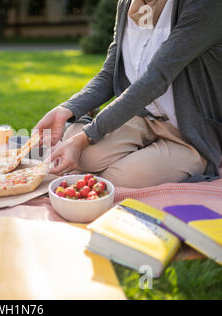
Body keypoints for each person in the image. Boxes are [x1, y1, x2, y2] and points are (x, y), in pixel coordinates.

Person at [35, 0, 221, 188]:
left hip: (188, 133)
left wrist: (86, 136)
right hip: (139, 116)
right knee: (83, 157)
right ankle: (84, 127)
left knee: (118, 179)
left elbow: (154, 80)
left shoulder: (204, 5)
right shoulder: (126, 4)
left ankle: (198, 160)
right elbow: (109, 74)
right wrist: (66, 109)